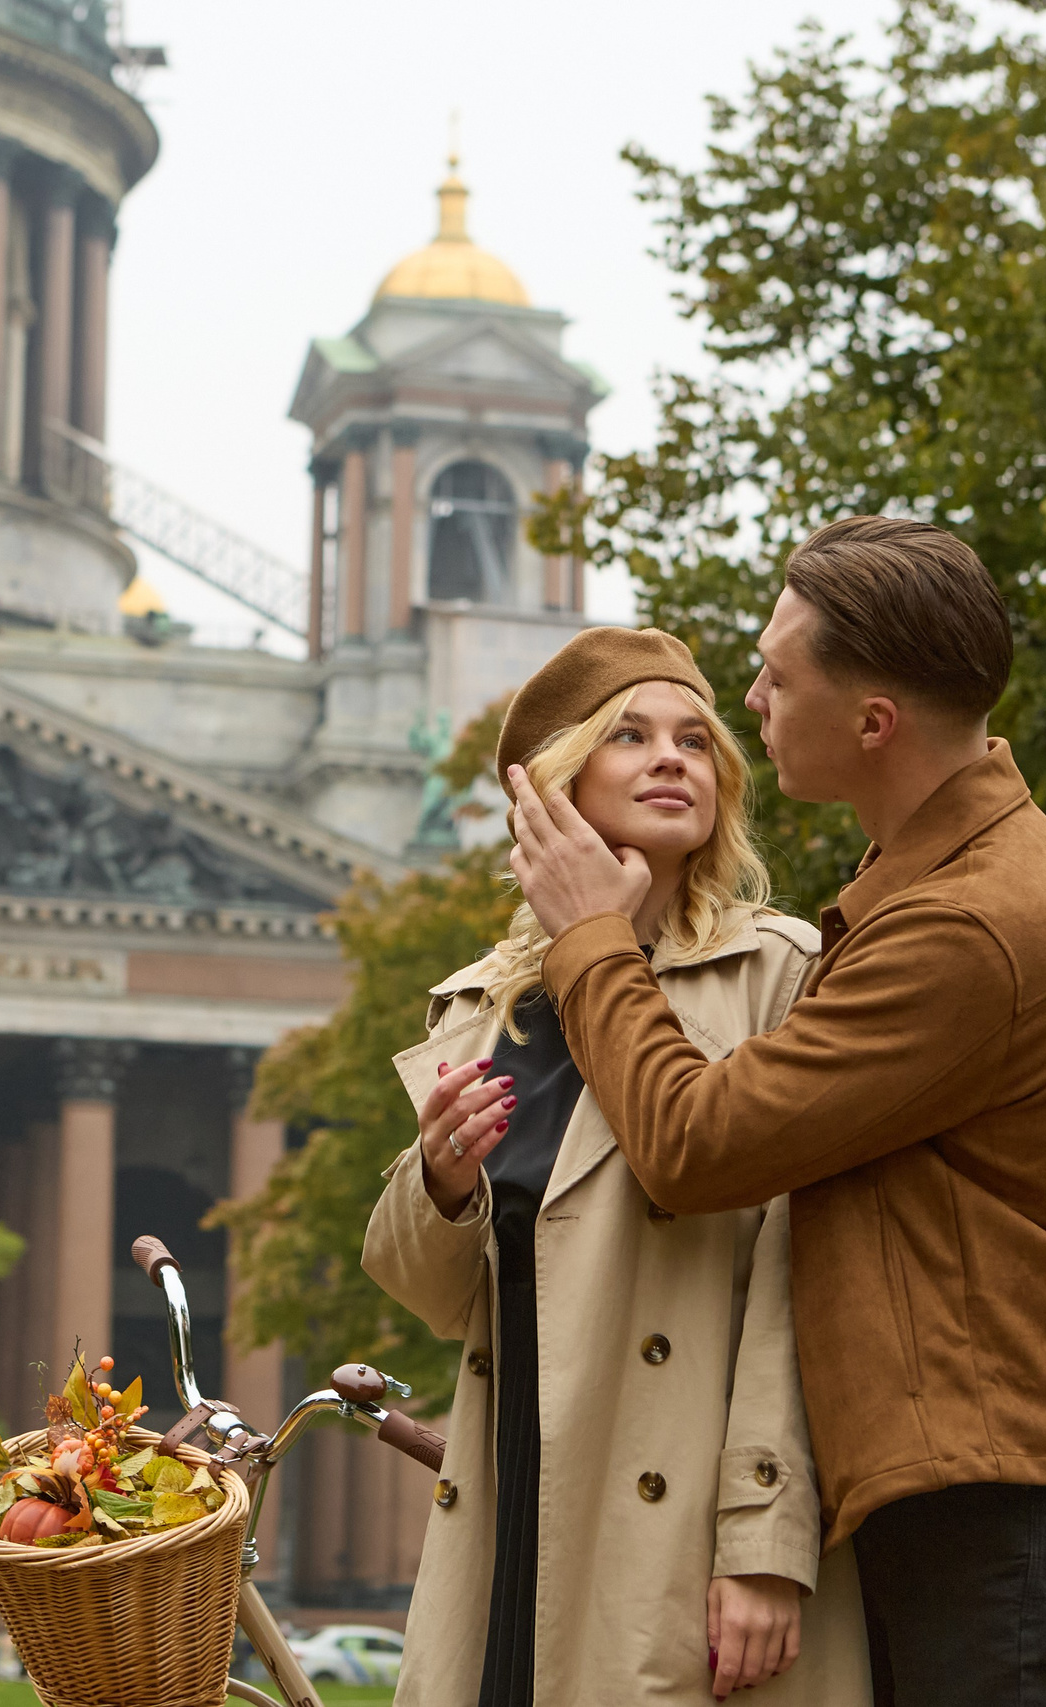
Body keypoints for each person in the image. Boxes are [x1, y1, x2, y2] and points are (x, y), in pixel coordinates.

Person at [504, 516, 1046, 1707]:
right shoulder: (926, 882)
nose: (752, 696)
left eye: (777, 671)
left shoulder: (966, 923)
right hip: (983, 1488)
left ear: (872, 721)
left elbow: (694, 1145)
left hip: (1015, 1508)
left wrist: (590, 941)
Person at [364, 627, 872, 1707]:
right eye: (629, 735)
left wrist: (766, 1539)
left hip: (684, 1519)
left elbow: (809, 1271)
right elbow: (446, 1304)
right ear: (559, 782)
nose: (671, 756)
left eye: (696, 739)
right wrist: (440, 1184)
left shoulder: (779, 972)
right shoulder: (485, 1002)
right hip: (518, 1503)